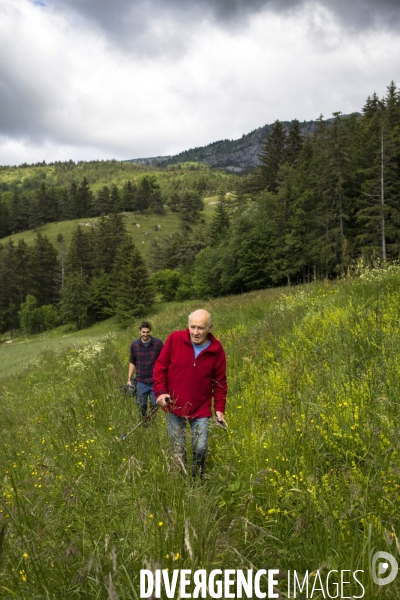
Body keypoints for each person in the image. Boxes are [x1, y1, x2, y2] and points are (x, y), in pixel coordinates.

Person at [153, 309, 227, 477]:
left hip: (201, 408)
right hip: (173, 405)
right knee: (178, 449)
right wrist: (161, 392)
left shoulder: (216, 350)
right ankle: (179, 484)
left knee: (200, 448)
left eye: (200, 328)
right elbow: (159, 368)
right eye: (192, 327)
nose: (195, 332)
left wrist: (219, 410)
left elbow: (220, 383)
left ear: (210, 327)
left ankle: (197, 481)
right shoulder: (175, 339)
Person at [127, 321, 163, 418]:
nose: (145, 334)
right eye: (143, 332)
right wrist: (129, 379)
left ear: (150, 331)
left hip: (155, 380)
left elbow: (163, 361)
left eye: (147, 332)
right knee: (141, 405)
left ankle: (152, 422)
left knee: (154, 404)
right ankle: (144, 422)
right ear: (139, 332)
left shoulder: (158, 344)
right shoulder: (134, 345)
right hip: (141, 380)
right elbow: (132, 362)